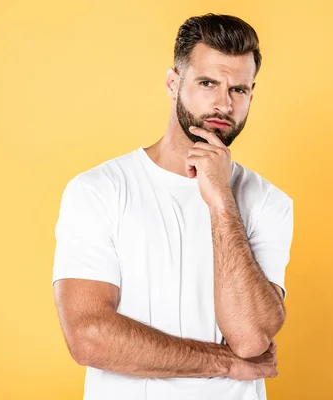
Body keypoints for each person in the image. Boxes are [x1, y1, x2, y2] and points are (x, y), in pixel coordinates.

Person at [52, 13, 294, 400]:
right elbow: (89, 337)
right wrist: (225, 363)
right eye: (208, 83)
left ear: (251, 95)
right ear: (173, 82)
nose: (223, 103)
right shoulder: (98, 190)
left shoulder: (269, 202)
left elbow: (249, 339)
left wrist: (221, 201)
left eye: (239, 90)